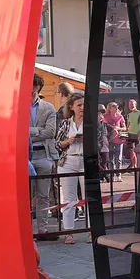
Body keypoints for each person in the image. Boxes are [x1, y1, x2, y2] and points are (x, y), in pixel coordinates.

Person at [55, 93, 87, 245]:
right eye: (79, 105)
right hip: (68, 161)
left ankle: (91, 232)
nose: (82, 108)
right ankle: (69, 233)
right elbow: (57, 144)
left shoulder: (93, 122)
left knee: (89, 198)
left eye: (84, 104)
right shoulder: (65, 123)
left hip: (86, 160)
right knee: (69, 198)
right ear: (71, 107)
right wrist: (68, 141)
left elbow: (101, 143)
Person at [29, 74, 58, 238]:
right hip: (24, 156)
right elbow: (15, 132)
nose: (30, 88)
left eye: (33, 85)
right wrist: (38, 131)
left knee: (43, 195)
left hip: (44, 154)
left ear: (37, 87)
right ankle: (27, 230)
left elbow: (50, 132)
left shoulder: (48, 107)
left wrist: (29, 133)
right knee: (25, 195)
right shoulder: (17, 106)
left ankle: (42, 230)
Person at [103, 102, 126, 181]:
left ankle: (118, 175)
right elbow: (104, 126)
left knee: (118, 159)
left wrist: (118, 128)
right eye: (114, 106)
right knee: (111, 159)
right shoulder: (105, 116)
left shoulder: (120, 116)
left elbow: (124, 128)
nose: (116, 108)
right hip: (110, 140)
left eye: (117, 107)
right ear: (110, 108)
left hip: (119, 140)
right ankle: (112, 175)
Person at [97, 105, 110, 183]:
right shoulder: (102, 123)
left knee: (102, 164)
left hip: (102, 146)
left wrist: (108, 140)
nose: (101, 115)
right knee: (100, 164)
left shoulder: (103, 124)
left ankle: (105, 176)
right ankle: (105, 176)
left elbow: (115, 130)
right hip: (100, 146)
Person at [125, 99, 140, 170]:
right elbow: (128, 126)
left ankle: (135, 164)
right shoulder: (129, 115)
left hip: (138, 134)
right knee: (131, 150)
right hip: (130, 134)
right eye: (129, 104)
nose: (131, 106)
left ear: (135, 104)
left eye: (132, 104)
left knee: (138, 150)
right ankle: (134, 165)